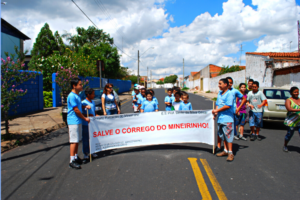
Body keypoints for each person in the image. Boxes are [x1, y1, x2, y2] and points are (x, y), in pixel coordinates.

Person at [67, 77, 91, 169]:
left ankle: (76, 157)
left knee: (77, 140)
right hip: (73, 121)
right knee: (73, 141)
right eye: (80, 84)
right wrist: (85, 118)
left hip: (78, 121)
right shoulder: (72, 96)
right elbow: (76, 109)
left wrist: (85, 106)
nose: (82, 86)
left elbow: (79, 106)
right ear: (74, 86)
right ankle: (72, 160)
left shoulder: (77, 95)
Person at [212, 78, 235, 162]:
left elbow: (228, 105)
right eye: (218, 83)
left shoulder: (229, 94)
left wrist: (217, 110)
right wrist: (215, 113)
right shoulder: (220, 93)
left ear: (226, 84)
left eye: (220, 83)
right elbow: (217, 104)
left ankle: (230, 153)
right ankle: (225, 150)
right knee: (223, 135)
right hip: (220, 118)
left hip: (227, 118)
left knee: (228, 135)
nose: (219, 85)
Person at [82, 88, 98, 163]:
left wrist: (96, 115)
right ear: (88, 95)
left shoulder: (93, 102)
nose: (94, 95)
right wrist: (88, 115)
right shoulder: (83, 103)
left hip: (93, 124)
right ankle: (86, 153)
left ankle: (92, 151)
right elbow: (81, 114)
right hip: (86, 124)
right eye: (93, 94)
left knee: (92, 138)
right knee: (86, 139)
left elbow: (94, 112)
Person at [283, 86, 300, 152]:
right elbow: (289, 109)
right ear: (291, 93)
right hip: (291, 121)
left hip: (299, 120)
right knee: (289, 134)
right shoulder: (288, 100)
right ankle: (285, 145)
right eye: (295, 92)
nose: (296, 93)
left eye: (297, 92)